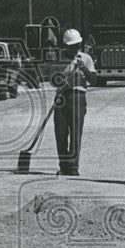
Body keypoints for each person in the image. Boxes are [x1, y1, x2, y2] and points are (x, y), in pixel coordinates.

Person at [52, 28, 96, 176]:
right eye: (71, 46)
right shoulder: (58, 59)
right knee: (60, 133)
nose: (74, 49)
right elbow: (53, 81)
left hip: (78, 97)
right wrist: (63, 81)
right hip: (61, 98)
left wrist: (84, 70)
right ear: (66, 46)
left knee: (76, 132)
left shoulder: (86, 58)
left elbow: (94, 80)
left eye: (77, 46)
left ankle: (73, 167)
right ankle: (64, 166)